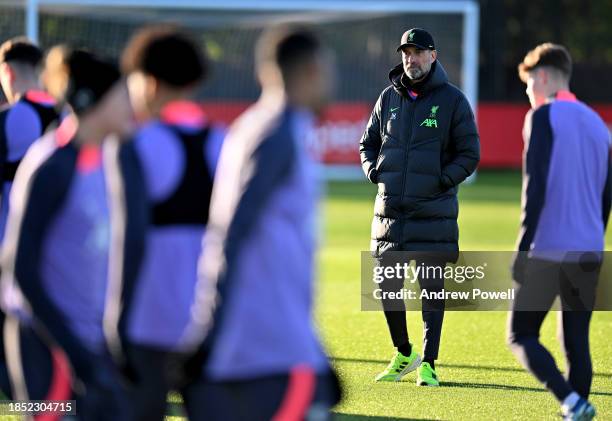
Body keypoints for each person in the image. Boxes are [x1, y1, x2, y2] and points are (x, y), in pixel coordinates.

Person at [183, 25, 341, 421]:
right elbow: (232, 232)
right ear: (310, 71)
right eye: (327, 69)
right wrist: (209, 328)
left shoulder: (258, 127)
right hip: (268, 350)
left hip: (276, 342)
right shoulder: (278, 134)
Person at [0, 46, 146, 420]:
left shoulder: (114, 161)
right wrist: (72, 351)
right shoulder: (53, 164)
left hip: (93, 345)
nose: (133, 106)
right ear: (92, 100)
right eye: (123, 96)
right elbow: (20, 267)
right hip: (46, 348)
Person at [106, 25, 224, 421]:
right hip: (211, 323)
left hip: (148, 323)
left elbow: (129, 241)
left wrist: (115, 323)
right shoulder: (225, 142)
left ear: (149, 81)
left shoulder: (134, 146)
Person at [359, 28, 480, 385]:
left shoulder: (453, 101)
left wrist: (442, 181)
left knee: (431, 291)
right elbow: (367, 143)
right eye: (405, 53)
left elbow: (470, 153)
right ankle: (403, 352)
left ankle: (429, 362)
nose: (410, 59)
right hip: (390, 216)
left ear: (433, 56)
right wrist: (374, 172)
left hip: (433, 215)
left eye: (417, 52)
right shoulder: (387, 98)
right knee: (386, 289)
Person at [508, 43, 611, 421]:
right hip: (589, 250)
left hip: (549, 247)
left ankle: (572, 402)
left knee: (520, 334)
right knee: (577, 344)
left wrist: (522, 248)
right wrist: (593, 237)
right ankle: (575, 410)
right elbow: (607, 194)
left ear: (544, 77)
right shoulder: (598, 124)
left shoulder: (543, 117)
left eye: (529, 83)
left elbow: (533, 189)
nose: (527, 92)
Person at [0, 37, 59, 244]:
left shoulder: (7, 119)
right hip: (56, 248)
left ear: (7, 72)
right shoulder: (70, 117)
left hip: (10, 247)